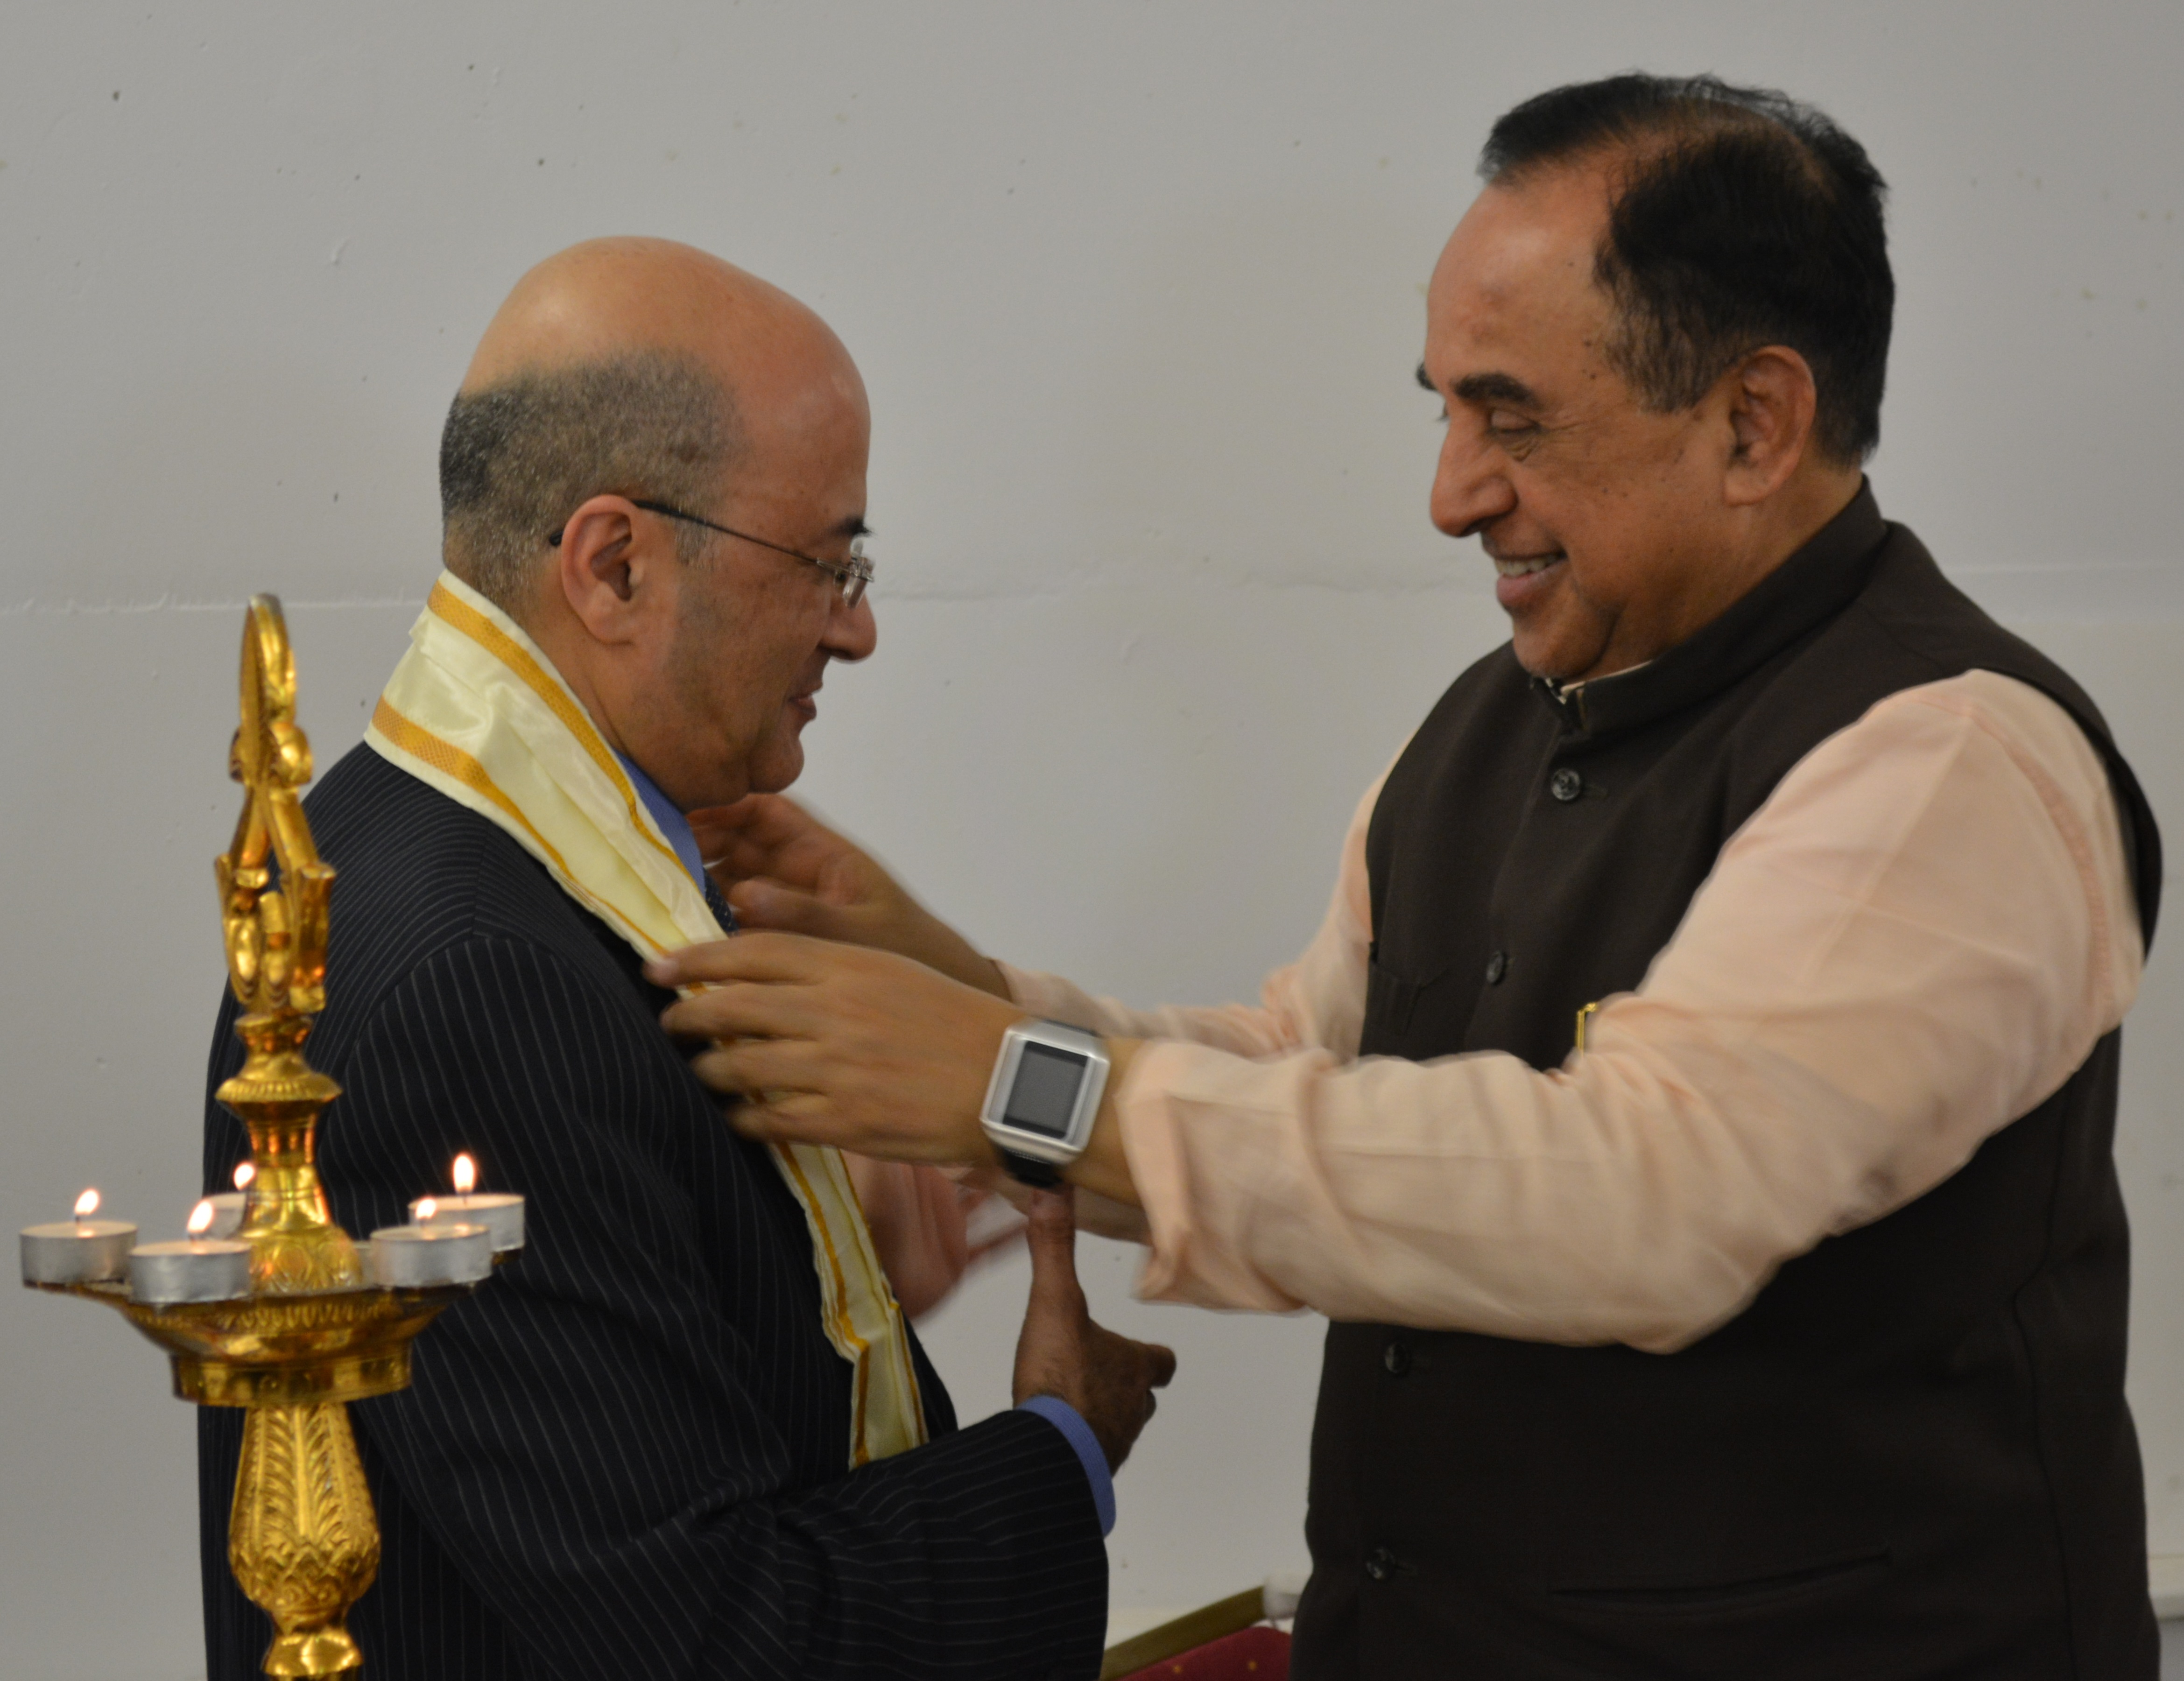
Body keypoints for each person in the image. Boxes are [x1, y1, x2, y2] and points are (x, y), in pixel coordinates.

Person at [648, 76, 2166, 1679]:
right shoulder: (1495, 720)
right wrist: (961, 994)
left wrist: (1012, 1084)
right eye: (1443, 411)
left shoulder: (1949, 758)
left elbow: (1646, 1192)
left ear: (1754, 422)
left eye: (1514, 420)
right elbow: (1309, 1070)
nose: (1452, 494)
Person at [197, 237, 1174, 1681]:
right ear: (615, 565)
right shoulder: (479, 980)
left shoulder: (418, 845)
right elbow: (715, 1633)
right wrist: (1060, 1443)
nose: (859, 627)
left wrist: (804, 1264)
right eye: (829, 561)